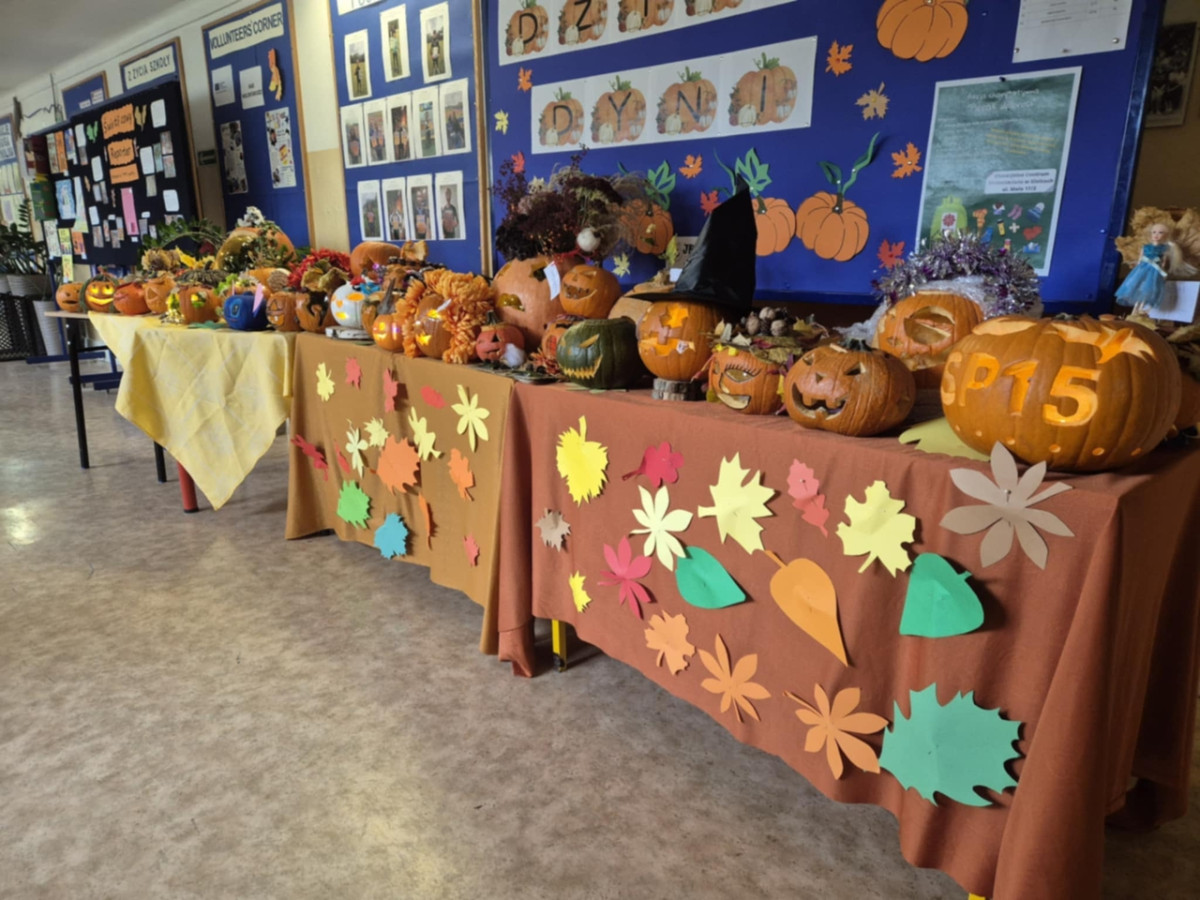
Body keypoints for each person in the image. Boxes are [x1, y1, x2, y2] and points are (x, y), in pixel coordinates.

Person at [1115, 221, 1190, 315]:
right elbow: (1140, 259)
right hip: (1142, 269)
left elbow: (1163, 263)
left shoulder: (1164, 248)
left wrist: (1162, 272)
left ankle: (1141, 308)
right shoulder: (1145, 247)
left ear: (1166, 235)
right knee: (1138, 287)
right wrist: (1137, 268)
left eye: (1160, 232)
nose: (1156, 235)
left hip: (1154, 271)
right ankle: (1135, 309)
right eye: (1154, 232)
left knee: (1148, 289)